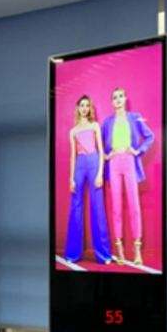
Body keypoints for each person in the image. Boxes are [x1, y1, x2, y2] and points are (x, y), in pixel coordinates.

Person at [101, 87, 154, 266]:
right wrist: (106, 155)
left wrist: (138, 151)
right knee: (116, 206)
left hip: (130, 161)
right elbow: (100, 144)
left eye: (121, 96)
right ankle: (120, 251)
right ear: (111, 102)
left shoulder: (135, 117)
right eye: (114, 97)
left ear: (125, 99)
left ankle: (137, 250)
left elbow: (150, 136)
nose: (118, 99)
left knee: (134, 205)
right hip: (114, 163)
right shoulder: (107, 122)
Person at [64, 95, 111, 264]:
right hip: (79, 165)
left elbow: (101, 150)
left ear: (90, 108)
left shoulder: (95, 125)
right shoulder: (73, 131)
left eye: (87, 105)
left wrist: (100, 173)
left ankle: (103, 254)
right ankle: (72, 253)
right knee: (75, 206)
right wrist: (71, 178)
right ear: (77, 108)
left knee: (97, 206)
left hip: (94, 162)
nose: (84, 108)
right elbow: (72, 156)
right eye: (81, 105)